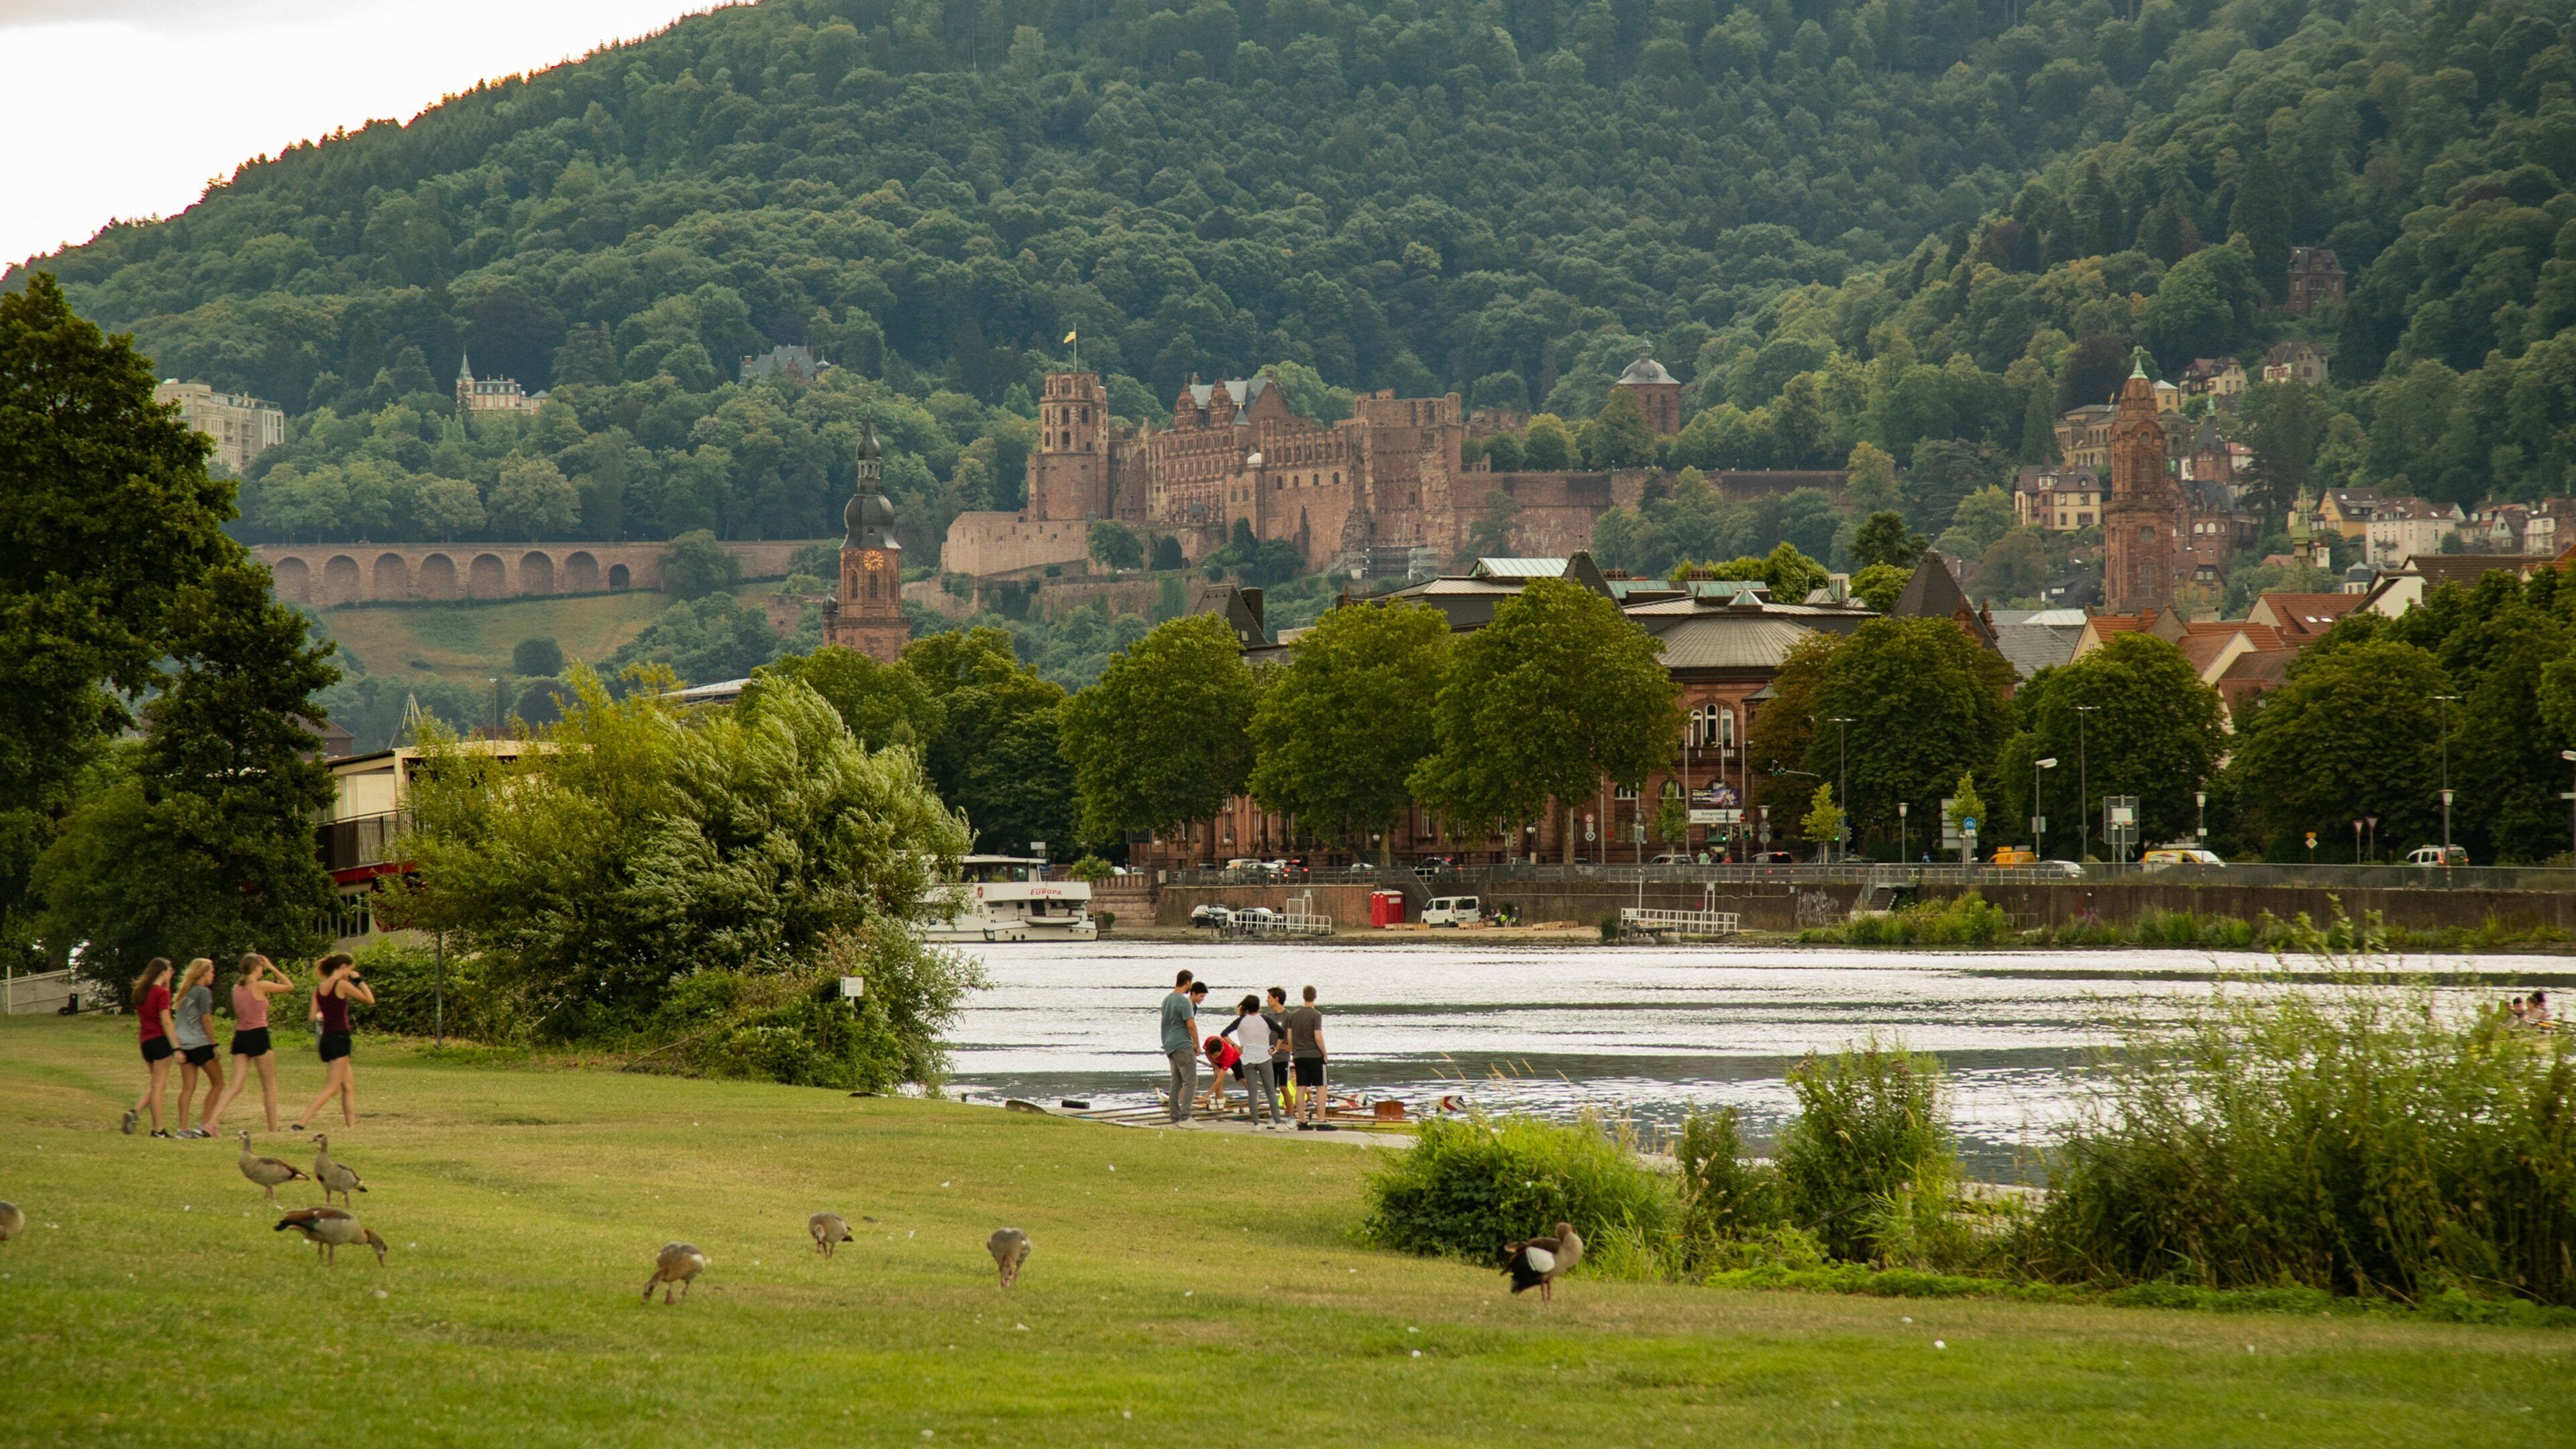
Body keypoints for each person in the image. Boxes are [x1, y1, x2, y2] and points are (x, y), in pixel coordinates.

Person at [207, 953, 294, 1132]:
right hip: (258, 1035)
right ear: (256, 967)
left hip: (240, 1036)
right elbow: (289, 986)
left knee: (235, 1085)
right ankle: (273, 1128)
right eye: (261, 967)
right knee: (269, 1086)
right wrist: (272, 968)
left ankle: (211, 1123)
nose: (263, 970)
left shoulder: (236, 988)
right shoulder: (260, 986)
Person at [293, 953, 374, 1132]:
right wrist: (359, 980)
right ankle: (301, 1123)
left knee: (348, 1085)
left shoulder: (319, 988)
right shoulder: (342, 984)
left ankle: (351, 1127)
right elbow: (369, 1000)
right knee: (332, 1087)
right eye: (351, 969)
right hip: (340, 1038)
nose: (351, 973)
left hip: (327, 1039)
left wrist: (327, 1015)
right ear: (344, 967)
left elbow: (312, 1017)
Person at [168, 958, 227, 1139]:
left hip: (183, 1045)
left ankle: (183, 1129)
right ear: (203, 973)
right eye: (211, 972)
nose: (212, 976)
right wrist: (215, 1044)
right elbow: (206, 1019)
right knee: (218, 1083)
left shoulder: (185, 993)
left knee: (188, 1088)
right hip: (200, 1043)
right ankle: (205, 1124)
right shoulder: (203, 992)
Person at [123, 958, 178, 1138]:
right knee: (158, 1086)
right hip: (161, 1042)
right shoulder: (161, 993)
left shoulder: (142, 992)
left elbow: (158, 1004)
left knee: (158, 1085)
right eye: (170, 970)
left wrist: (167, 984)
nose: (171, 972)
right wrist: (176, 1047)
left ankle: (135, 1112)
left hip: (145, 1043)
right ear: (163, 972)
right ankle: (158, 1130)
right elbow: (166, 1020)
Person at [1230, 996, 1280, 1129]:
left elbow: (1224, 1034)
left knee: (1252, 1092)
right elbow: (1281, 1032)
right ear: (1258, 1007)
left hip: (1248, 1059)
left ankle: (1256, 1124)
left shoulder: (1241, 1021)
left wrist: (1236, 1046)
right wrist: (1275, 1048)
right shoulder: (1265, 1019)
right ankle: (1278, 1123)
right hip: (1264, 1057)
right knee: (1270, 1091)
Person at [1283, 984, 1328, 1130]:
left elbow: (1289, 1037)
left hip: (1299, 1056)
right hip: (1315, 1055)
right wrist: (1325, 1054)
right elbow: (1318, 1037)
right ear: (1315, 997)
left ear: (1303, 997)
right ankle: (1321, 1120)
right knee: (1321, 1087)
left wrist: (1294, 1051)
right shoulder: (1316, 1015)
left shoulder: (1293, 1016)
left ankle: (1302, 1121)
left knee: (1301, 1088)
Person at [1159, 969, 1200, 1125]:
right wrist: (1197, 1044)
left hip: (1170, 1044)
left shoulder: (1167, 1000)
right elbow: (1191, 1025)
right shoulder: (1184, 1001)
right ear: (1188, 982)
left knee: (1176, 1083)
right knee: (1191, 1081)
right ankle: (1186, 1117)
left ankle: (1175, 1118)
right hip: (1183, 1043)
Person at [1200, 1032, 1242, 1114]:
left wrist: (1207, 1095)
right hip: (1218, 1062)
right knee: (1217, 1080)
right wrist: (1215, 1067)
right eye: (1214, 1056)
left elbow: (1220, 1079)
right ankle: (1220, 1108)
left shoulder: (1228, 1057)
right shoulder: (1209, 1041)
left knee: (1243, 1078)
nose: (1215, 1057)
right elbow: (1207, 1053)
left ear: (1222, 1050)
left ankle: (1254, 1099)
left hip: (1234, 1059)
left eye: (1216, 1055)